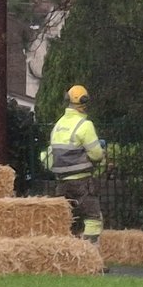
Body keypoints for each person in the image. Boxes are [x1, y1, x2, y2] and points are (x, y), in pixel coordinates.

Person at [42, 84, 105, 244]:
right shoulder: (84, 125)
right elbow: (97, 155)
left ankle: (67, 253)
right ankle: (90, 254)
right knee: (93, 218)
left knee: (67, 221)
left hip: (61, 183)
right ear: (84, 102)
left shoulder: (58, 125)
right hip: (82, 182)